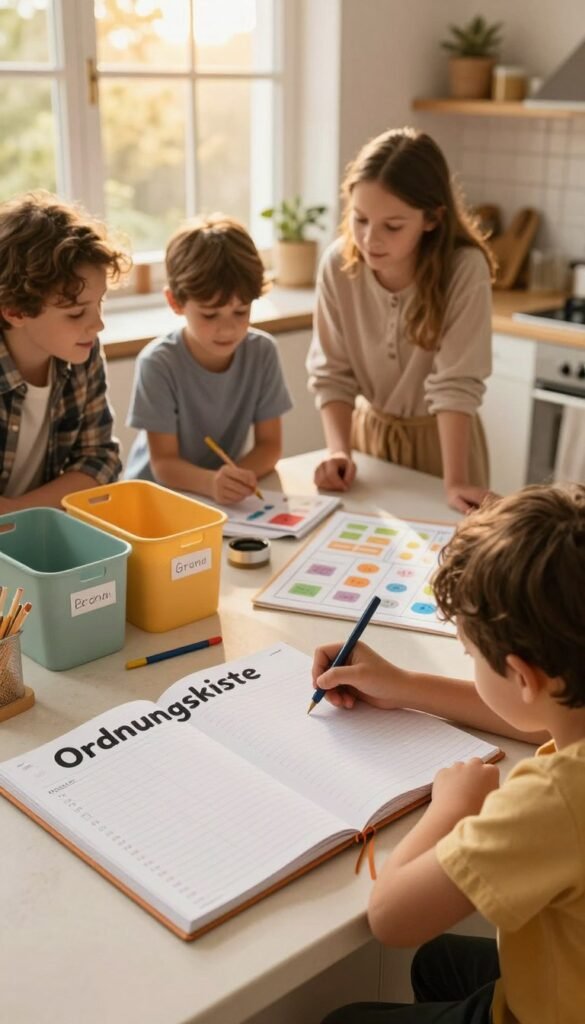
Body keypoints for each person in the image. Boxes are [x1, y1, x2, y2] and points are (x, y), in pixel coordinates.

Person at [311, 482, 585, 1023]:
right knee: (437, 963)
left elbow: (391, 919)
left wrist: (454, 808)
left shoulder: (555, 801)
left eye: (469, 655)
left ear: (522, 676)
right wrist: (404, 684)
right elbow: (540, 720)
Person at [307, 127, 496, 513]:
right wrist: (339, 451)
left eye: (392, 226)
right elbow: (332, 375)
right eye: (360, 219)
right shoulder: (338, 267)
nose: (370, 239)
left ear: (431, 219)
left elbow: (455, 385)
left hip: (445, 448)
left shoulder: (463, 270)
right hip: (369, 443)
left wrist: (456, 481)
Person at [124, 214, 292, 504]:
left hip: (214, 498)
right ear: (175, 302)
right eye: (210, 314)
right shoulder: (158, 363)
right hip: (155, 500)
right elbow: (163, 464)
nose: (228, 328)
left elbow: (270, 445)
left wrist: (236, 478)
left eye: (241, 311)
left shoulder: (262, 352)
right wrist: (213, 482)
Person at [0, 191, 128, 511]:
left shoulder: (82, 353)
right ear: (15, 311)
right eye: (75, 313)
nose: (97, 325)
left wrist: (18, 512)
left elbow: (100, 459)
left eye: (99, 303)